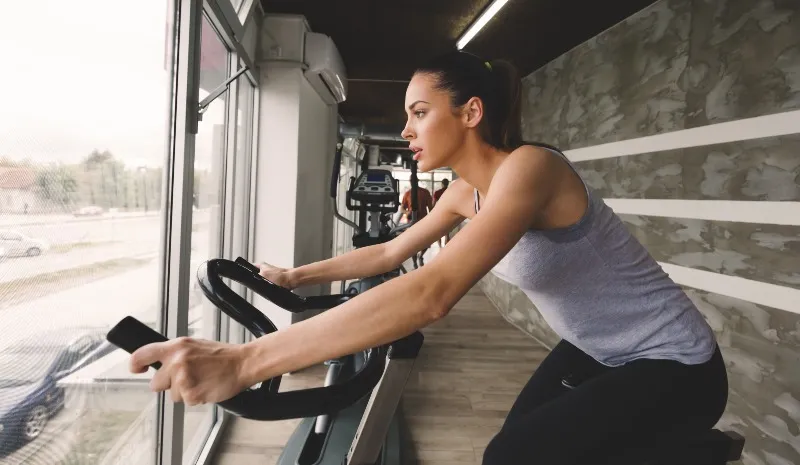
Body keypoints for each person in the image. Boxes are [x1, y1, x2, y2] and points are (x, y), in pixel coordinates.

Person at [128, 51, 728, 465]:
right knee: (515, 449)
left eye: (419, 112)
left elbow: (432, 292)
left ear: (471, 113)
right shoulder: (465, 192)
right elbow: (390, 252)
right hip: (596, 349)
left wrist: (245, 360)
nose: (407, 129)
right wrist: (294, 276)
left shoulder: (532, 168)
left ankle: (695, 451)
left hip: (676, 362)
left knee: (512, 457)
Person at [400, 184, 433, 267]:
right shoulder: (407, 193)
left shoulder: (425, 192)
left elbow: (430, 208)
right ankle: (414, 262)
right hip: (412, 223)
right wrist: (407, 212)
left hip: (423, 222)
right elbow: (402, 209)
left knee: (426, 242)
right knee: (412, 244)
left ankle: (421, 256)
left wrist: (432, 221)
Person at [433, 178, 449, 246]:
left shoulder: (437, 192)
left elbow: (433, 205)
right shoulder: (450, 192)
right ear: (448, 184)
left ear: (442, 184)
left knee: (439, 232)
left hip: (439, 214)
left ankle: (440, 247)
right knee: (447, 233)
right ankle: (446, 247)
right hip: (449, 213)